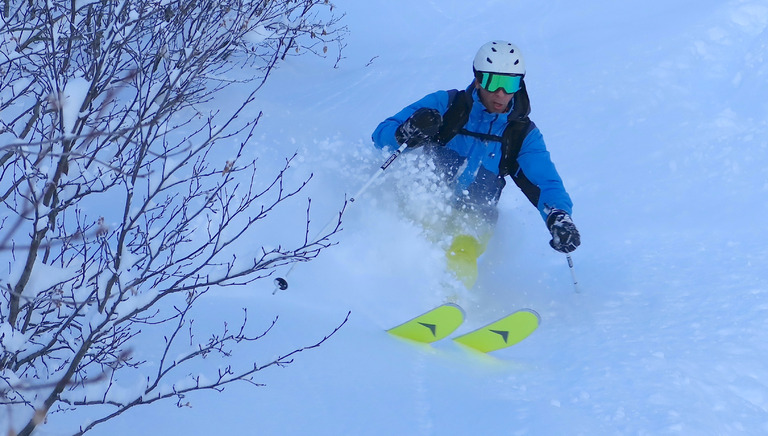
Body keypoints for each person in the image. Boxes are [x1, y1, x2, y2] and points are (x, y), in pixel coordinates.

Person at [371, 40, 580, 289]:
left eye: (511, 84)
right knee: (418, 239)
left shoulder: (521, 133)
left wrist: (559, 215)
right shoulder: (447, 105)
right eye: (493, 82)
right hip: (427, 201)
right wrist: (405, 132)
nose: (501, 93)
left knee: (462, 251)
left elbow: (545, 180)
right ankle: (397, 293)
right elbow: (380, 134)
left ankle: (448, 303)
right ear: (478, 79)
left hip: (476, 214)